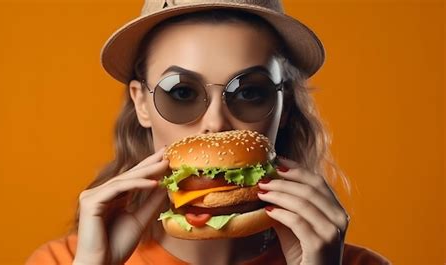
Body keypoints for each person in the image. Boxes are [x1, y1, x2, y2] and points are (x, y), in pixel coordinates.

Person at [26, 0, 391, 264]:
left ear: (285, 107)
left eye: (249, 92)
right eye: (182, 93)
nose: (215, 123)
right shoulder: (65, 260)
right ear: (141, 104)